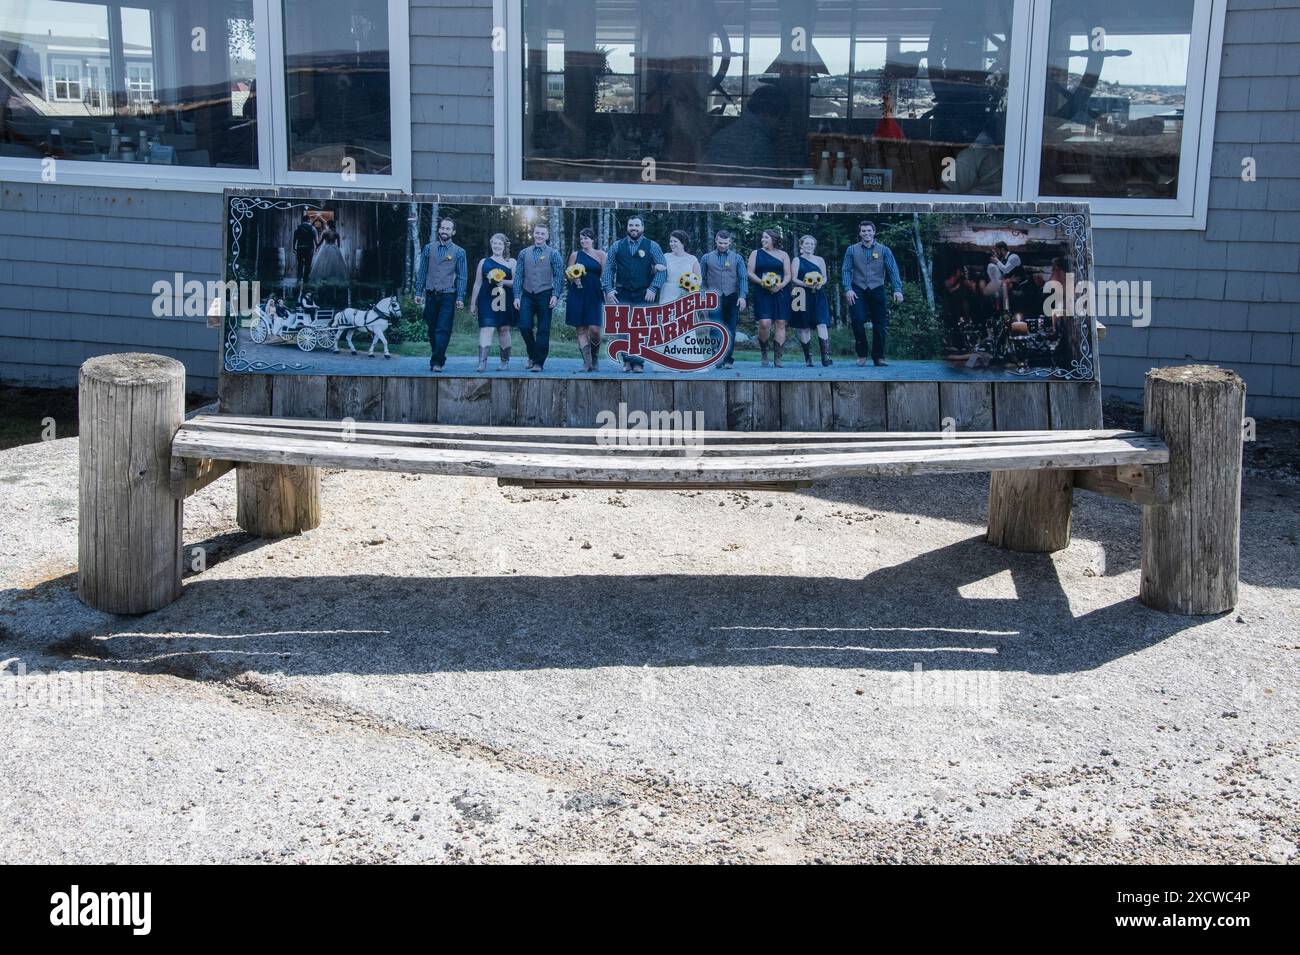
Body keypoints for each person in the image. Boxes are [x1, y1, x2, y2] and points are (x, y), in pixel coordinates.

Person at [601, 215, 667, 373]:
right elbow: (609, 269)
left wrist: (653, 288)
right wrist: (609, 290)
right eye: (631, 225)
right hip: (622, 292)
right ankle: (627, 361)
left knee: (641, 328)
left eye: (637, 225)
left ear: (642, 227)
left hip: (644, 293)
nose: (634, 228)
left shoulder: (652, 246)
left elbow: (663, 269)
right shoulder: (617, 246)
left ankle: (638, 362)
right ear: (627, 227)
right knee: (623, 328)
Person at [841, 220, 903, 367]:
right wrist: (848, 288)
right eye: (863, 231)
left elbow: (893, 270)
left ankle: (878, 357)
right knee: (857, 320)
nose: (866, 233)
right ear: (860, 233)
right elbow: (846, 270)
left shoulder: (884, 250)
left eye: (869, 231)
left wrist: (898, 289)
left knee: (880, 324)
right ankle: (862, 354)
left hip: (877, 288)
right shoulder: (851, 250)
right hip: (857, 289)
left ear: (874, 232)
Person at [415, 217, 467, 373]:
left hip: (448, 295)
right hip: (430, 294)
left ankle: (436, 362)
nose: (444, 231)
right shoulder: (428, 248)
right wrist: (419, 291)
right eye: (442, 228)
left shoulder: (459, 252)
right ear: (439, 230)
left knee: (442, 329)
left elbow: (462, 276)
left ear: (453, 232)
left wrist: (460, 297)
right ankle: (439, 356)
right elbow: (422, 271)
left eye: (448, 229)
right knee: (432, 329)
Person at [512, 222, 564, 372]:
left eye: (542, 233)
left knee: (543, 329)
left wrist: (556, 294)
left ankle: (538, 363)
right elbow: (518, 276)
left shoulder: (553, 253)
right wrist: (516, 295)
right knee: (524, 326)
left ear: (547, 236)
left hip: (545, 294)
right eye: (537, 233)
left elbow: (559, 275)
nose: (539, 236)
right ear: (533, 234)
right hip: (527, 294)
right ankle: (533, 354)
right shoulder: (523, 253)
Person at [699, 229, 748, 370]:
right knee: (716, 327)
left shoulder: (737, 258)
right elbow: (701, 279)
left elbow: (743, 278)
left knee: (730, 329)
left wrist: (742, 296)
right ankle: (716, 355)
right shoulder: (706, 258)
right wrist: (703, 296)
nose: (722, 245)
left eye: (725, 243)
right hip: (713, 297)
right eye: (720, 243)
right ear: (716, 241)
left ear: (730, 242)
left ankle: (728, 359)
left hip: (732, 297)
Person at [468, 232, 516, 372]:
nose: (497, 245)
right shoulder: (484, 262)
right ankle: (482, 363)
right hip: (486, 298)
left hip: (504, 298)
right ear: (491, 244)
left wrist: (504, 281)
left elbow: (516, 282)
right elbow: (477, 284)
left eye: (499, 243)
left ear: (504, 246)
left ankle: (504, 362)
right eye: (494, 243)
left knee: (503, 329)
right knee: (486, 328)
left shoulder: (511, 262)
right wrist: (472, 303)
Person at [747, 228, 791, 367]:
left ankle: (778, 358)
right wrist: (762, 282)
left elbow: (788, 274)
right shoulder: (756, 253)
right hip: (762, 291)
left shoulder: (784, 255)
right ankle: (764, 352)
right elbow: (750, 273)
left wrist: (781, 285)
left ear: (774, 239)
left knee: (780, 322)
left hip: (781, 292)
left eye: (766, 237)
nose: (763, 240)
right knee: (764, 323)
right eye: (762, 237)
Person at [565, 227, 606, 372]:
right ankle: (587, 362)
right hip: (577, 293)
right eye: (581, 238)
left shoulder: (601, 254)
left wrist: (608, 295)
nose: (583, 241)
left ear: (592, 240)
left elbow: (605, 276)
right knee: (581, 329)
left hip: (595, 294)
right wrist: (573, 278)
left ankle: (594, 357)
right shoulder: (575, 255)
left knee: (595, 329)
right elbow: (568, 274)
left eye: (586, 238)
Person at [790, 234, 833, 367]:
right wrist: (806, 284)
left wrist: (821, 283)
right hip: (801, 295)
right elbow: (794, 279)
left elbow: (825, 277)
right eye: (806, 244)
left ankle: (825, 357)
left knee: (822, 323)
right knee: (805, 326)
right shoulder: (797, 260)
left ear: (814, 246)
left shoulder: (820, 260)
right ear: (801, 245)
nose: (809, 246)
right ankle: (808, 358)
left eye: (811, 244)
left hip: (818, 294)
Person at [309, 229, 350, 313]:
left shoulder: (325, 232)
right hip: (334, 249)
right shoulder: (336, 233)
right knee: (335, 264)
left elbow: (320, 242)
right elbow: (338, 244)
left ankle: (325, 278)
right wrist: (336, 249)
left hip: (326, 248)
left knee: (324, 263)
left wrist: (317, 246)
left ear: (328, 225)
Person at [659, 230, 701, 304]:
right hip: (668, 295)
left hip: (686, 297)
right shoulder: (665, 257)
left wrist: (690, 287)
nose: (672, 244)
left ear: (683, 243)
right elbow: (658, 274)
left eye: (675, 241)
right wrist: (656, 268)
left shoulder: (692, 259)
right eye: (671, 241)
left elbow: (698, 280)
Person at [986, 241, 1022, 312]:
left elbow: (1006, 270)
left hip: (1020, 285)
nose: (997, 253)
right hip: (1008, 286)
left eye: (997, 251)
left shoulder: (1013, 257)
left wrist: (996, 261)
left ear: (1002, 249)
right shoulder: (1001, 261)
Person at [292, 214, 316, 299]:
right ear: (309, 220)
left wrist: (294, 247)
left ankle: (299, 277)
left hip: (300, 248)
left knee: (300, 263)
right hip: (309, 248)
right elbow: (315, 239)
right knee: (308, 264)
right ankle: (305, 279)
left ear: (303, 220)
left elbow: (295, 238)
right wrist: (316, 247)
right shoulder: (312, 228)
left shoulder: (298, 228)